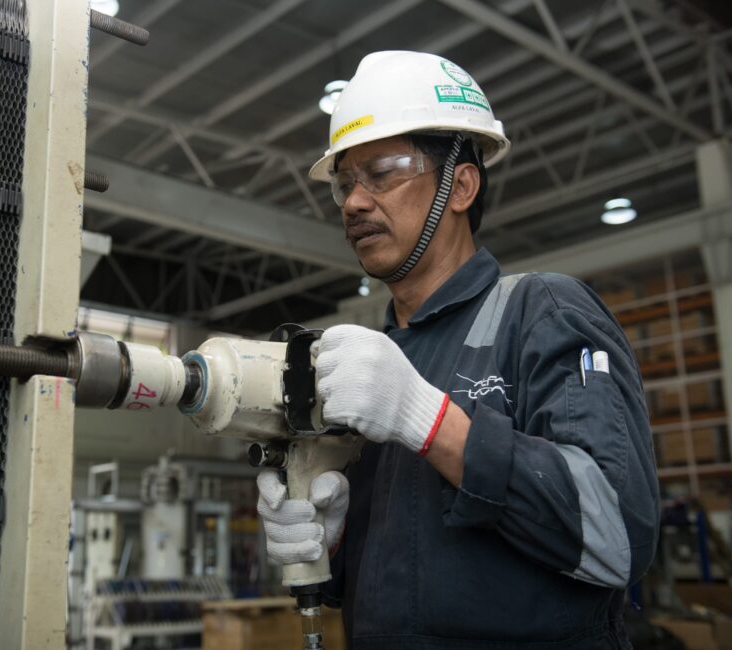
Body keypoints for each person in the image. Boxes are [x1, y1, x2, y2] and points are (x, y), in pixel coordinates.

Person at [255, 51, 660, 648]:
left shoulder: (541, 312)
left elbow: (619, 538)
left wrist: (432, 423)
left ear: (461, 184)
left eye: (383, 171)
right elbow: (399, 587)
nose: (354, 203)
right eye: (344, 183)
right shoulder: (370, 365)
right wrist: (327, 542)